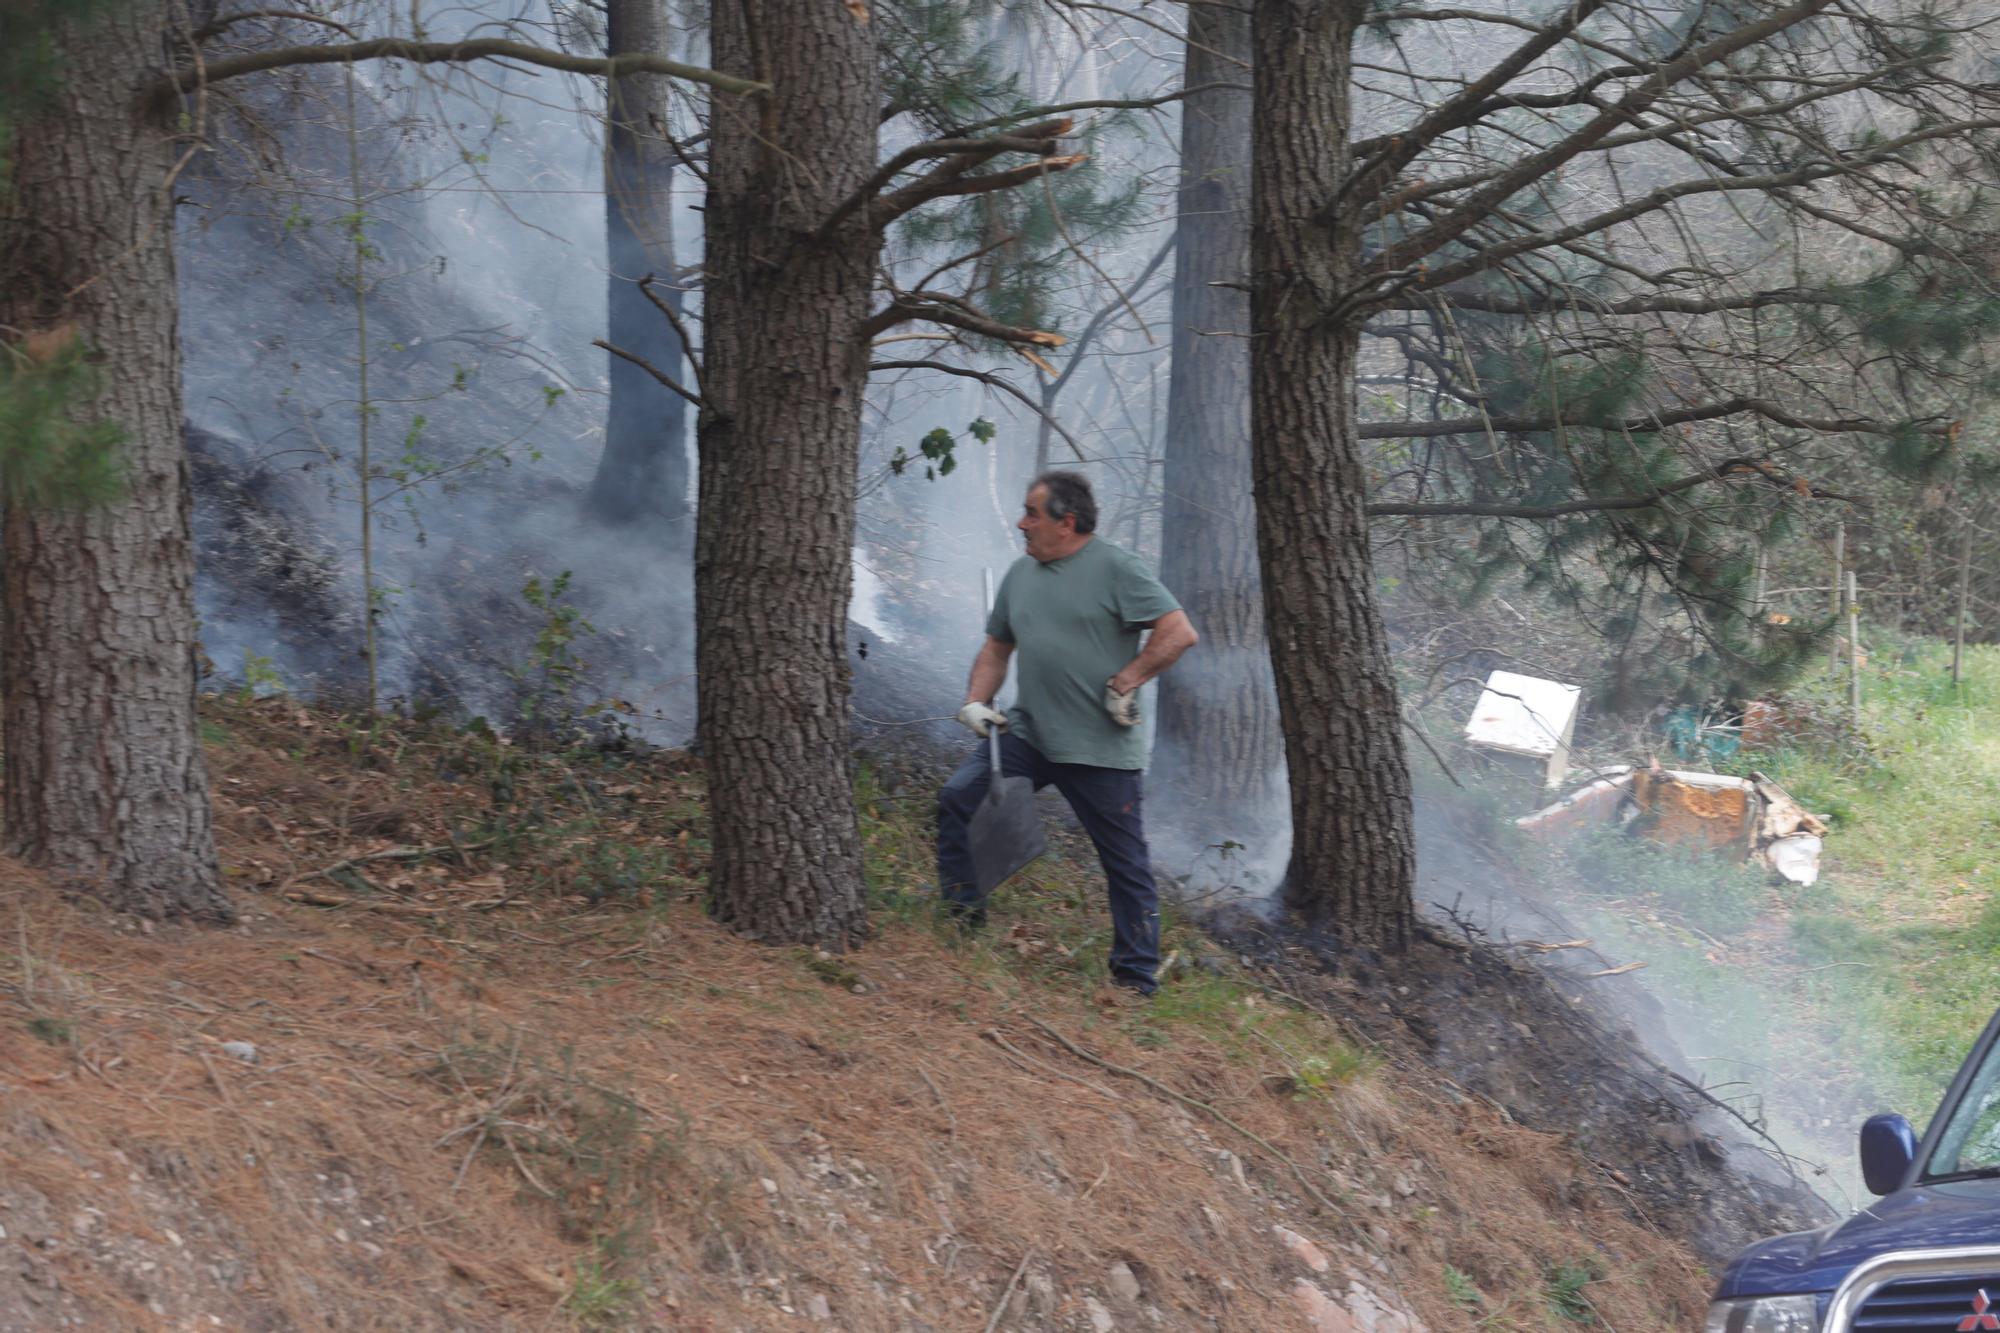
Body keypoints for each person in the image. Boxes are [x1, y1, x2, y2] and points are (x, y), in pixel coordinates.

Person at [937, 471, 1199, 996]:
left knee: (1125, 866)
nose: (1021, 523)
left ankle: (1134, 978)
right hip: (1030, 735)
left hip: (1100, 749)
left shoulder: (1116, 568)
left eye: (1032, 514)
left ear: (1068, 522)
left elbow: (1178, 632)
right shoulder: (1021, 575)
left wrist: (1129, 679)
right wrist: (974, 702)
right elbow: (996, 649)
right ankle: (960, 923)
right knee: (958, 799)